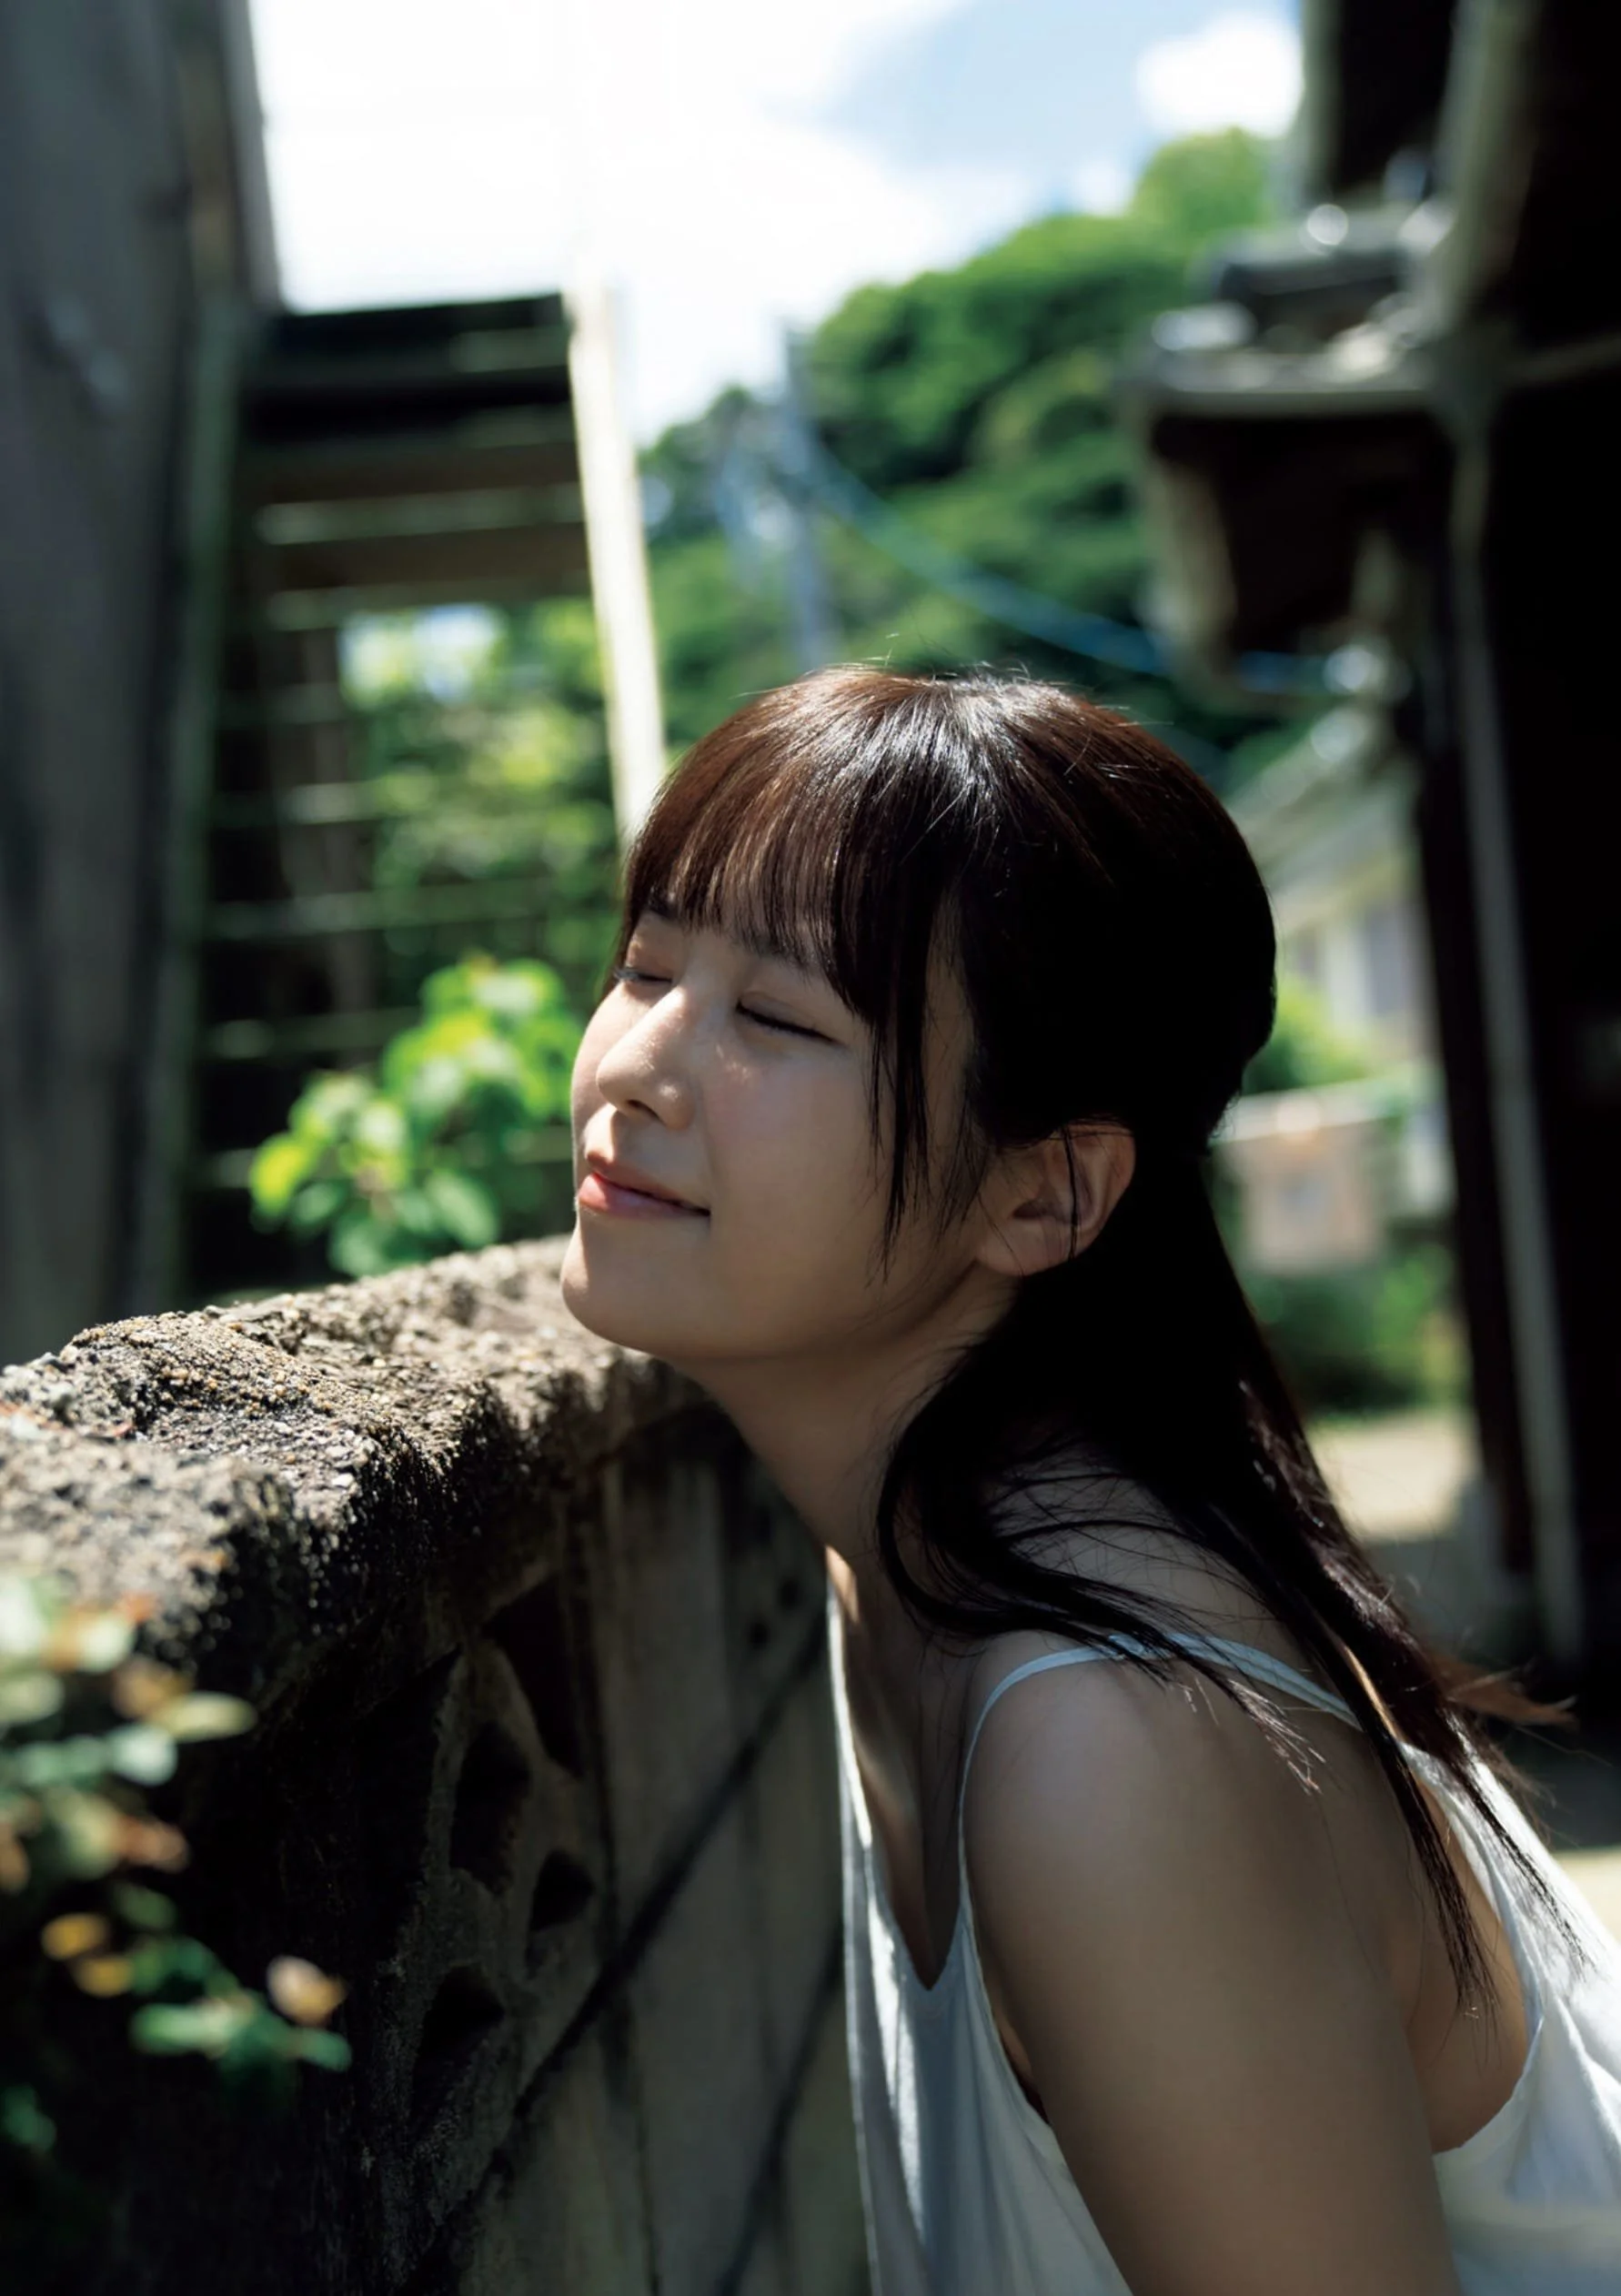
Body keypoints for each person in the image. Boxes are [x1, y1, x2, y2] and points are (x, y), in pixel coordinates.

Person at [560, 666, 1621, 2295]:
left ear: (1045, 1197)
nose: (634, 1064)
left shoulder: (1108, 1745)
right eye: (644, 966)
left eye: (774, 1019)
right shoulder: (910, 1574)